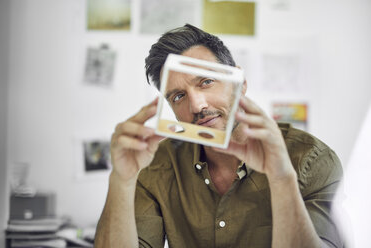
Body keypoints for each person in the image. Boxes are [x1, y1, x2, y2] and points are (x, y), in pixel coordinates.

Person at [95, 24, 343, 248]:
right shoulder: (155, 164)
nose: (197, 105)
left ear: (239, 83)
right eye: (178, 96)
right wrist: (121, 180)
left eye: (206, 82)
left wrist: (281, 180)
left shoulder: (312, 160)